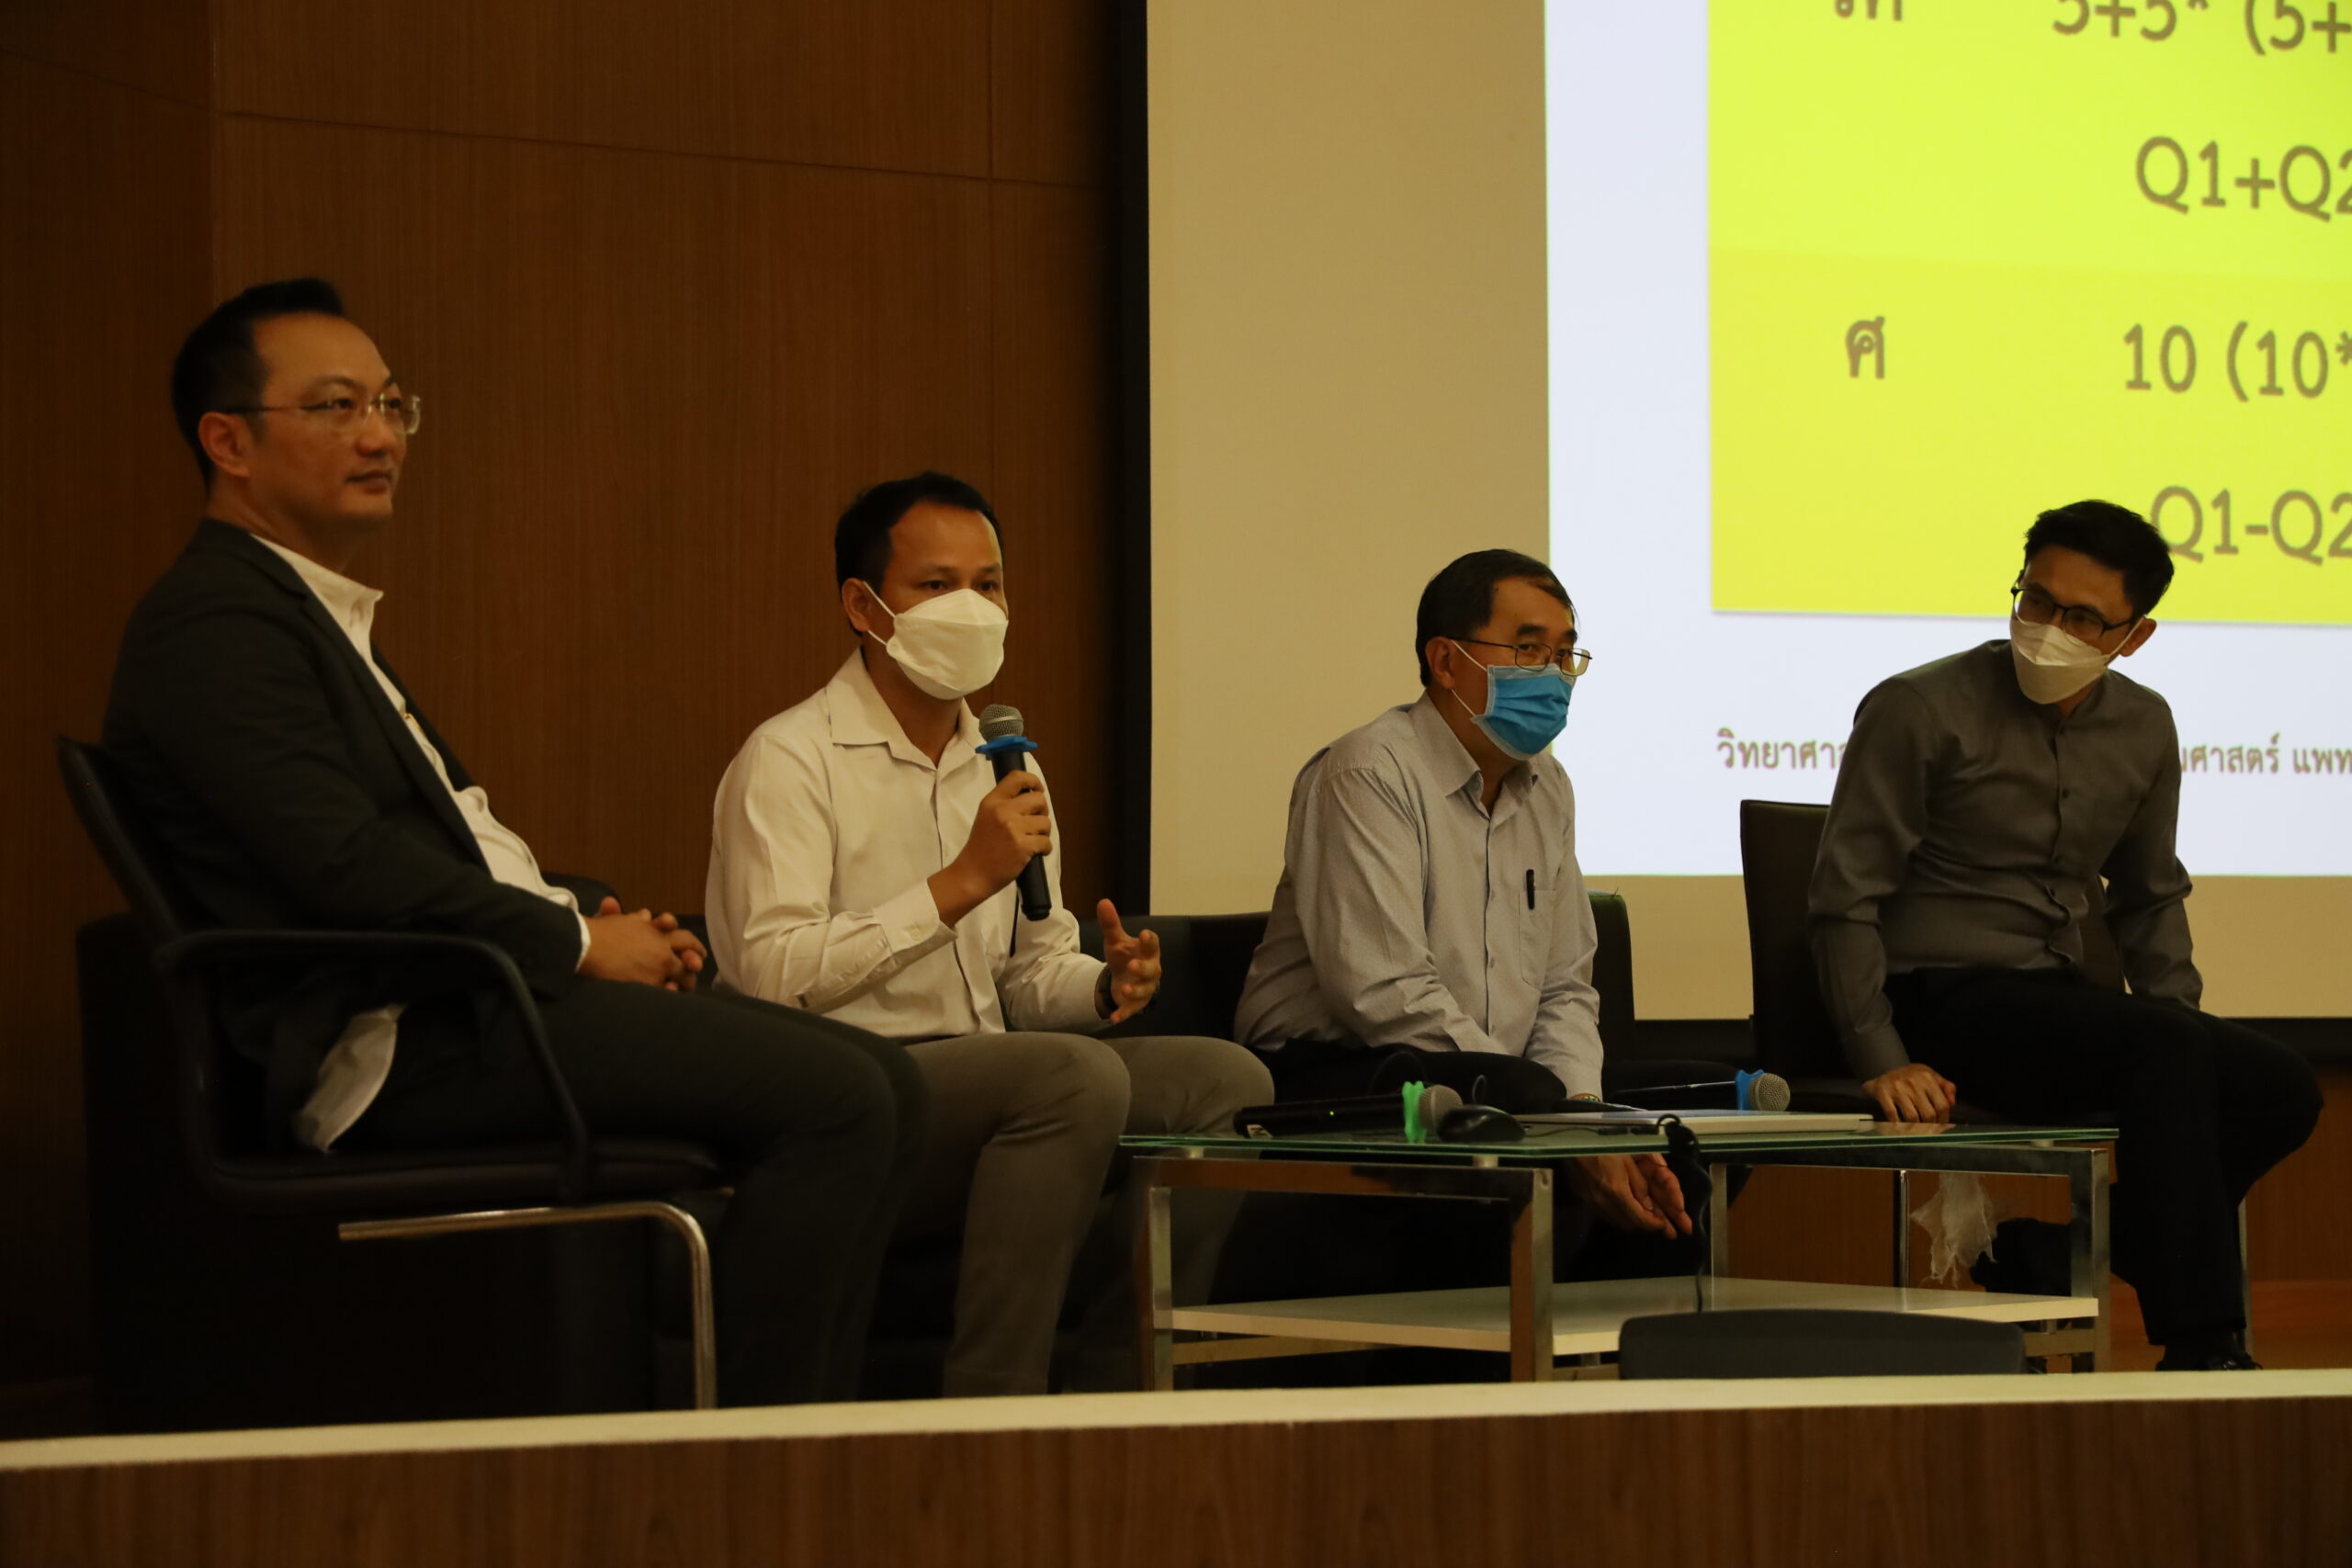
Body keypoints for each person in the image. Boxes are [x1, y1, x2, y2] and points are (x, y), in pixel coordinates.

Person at [106, 278, 927, 1407]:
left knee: (883, 1083)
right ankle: (753, 1461)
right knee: (844, 1097)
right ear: (228, 441)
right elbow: (342, 869)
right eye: (338, 406)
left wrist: (581, 914)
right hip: (399, 1037)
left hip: (471, 994)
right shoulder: (214, 623)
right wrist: (575, 945)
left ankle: (792, 1441)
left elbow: (439, 847)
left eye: (392, 405)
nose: (380, 436)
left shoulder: (305, 612)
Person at [705, 472, 1271, 1397]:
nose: (969, 608)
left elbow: (1027, 977)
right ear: (864, 607)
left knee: (1224, 1081)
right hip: (849, 1095)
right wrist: (961, 881)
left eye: (988, 584)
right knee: (1068, 1077)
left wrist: (1103, 986)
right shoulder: (790, 758)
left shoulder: (1006, 764)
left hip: (991, 1080)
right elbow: (772, 976)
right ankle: (993, 1405)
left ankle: (1121, 1389)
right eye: (936, 585)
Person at [1810, 499, 2322, 1370]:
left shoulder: (2144, 725)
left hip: (2054, 999)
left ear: (2135, 635)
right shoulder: (1918, 706)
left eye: (2083, 617)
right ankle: (2204, 1348)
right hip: (1935, 993)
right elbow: (1842, 895)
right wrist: (1879, 1052)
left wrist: (2184, 1027)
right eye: (2037, 600)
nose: (2049, 629)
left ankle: (2062, 1251)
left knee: (2283, 1088)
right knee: (2165, 1046)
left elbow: (2150, 896)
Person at [1235, 548, 1693, 1248]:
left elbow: (1564, 986)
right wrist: (1551, 1117)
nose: (1553, 675)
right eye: (1527, 649)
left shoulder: (1548, 786)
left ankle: (1620, 1306)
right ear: (1446, 662)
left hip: (1486, 1072)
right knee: (1528, 1102)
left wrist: (1582, 1111)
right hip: (1334, 1071)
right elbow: (1383, 992)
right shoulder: (1366, 773)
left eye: (1564, 654)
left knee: (1685, 1111)